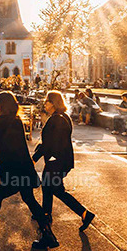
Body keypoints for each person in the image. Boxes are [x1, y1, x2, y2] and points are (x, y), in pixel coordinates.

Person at [0, 91, 58, 248]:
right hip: (24, 167)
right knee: (30, 200)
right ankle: (48, 235)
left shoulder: (0, 120)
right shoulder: (17, 120)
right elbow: (4, 140)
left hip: (10, 169)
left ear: (1, 105)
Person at [33, 90, 94, 236]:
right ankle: (45, 214)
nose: (45, 104)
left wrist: (34, 158)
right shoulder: (62, 116)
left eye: (47, 101)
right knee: (47, 187)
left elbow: (48, 144)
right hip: (59, 160)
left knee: (57, 190)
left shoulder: (57, 119)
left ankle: (84, 213)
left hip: (57, 161)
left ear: (53, 103)